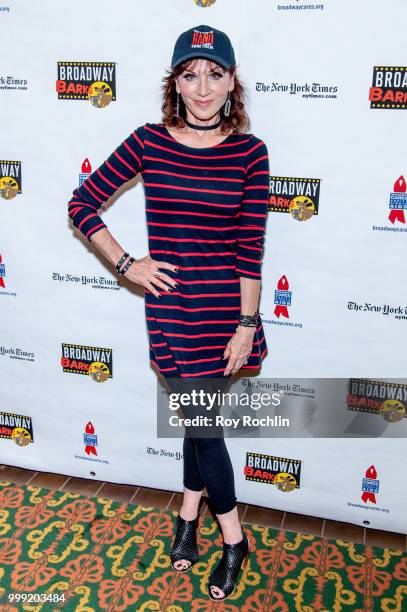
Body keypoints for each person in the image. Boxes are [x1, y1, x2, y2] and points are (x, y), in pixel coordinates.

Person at [67, 24, 270, 601]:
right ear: (174, 82)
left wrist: (247, 325)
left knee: (198, 425)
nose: (202, 87)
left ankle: (202, 524)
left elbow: (249, 249)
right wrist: (126, 262)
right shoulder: (147, 142)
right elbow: (82, 203)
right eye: (190, 74)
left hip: (226, 314)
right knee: (202, 425)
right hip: (173, 310)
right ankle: (222, 532)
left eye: (214, 73)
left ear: (232, 81)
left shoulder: (250, 153)